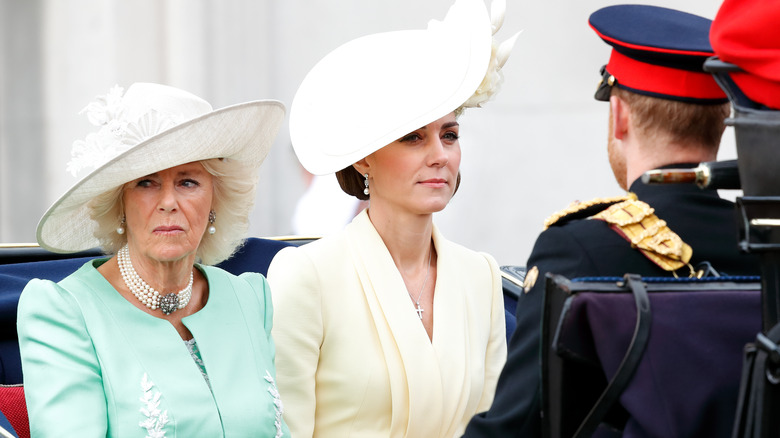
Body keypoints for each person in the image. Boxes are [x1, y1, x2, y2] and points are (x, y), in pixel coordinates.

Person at [463, 5, 761, 437]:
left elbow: (517, 425)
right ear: (720, 125)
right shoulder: (764, 242)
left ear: (618, 115)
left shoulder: (580, 248)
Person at [266, 0, 518, 436]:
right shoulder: (307, 276)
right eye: (413, 138)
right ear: (364, 159)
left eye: (450, 135)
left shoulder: (481, 276)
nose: (440, 155)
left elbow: (496, 425)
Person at [17, 82, 290, 437]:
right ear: (119, 204)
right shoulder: (64, 313)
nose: (168, 202)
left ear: (214, 201)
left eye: (188, 182)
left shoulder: (251, 298)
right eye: (146, 183)